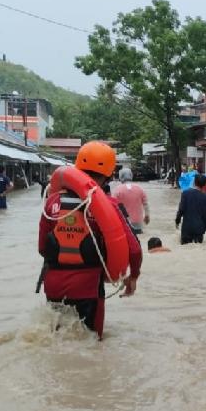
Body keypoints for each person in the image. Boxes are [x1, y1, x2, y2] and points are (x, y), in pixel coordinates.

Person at [38, 141, 143, 339]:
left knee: (57, 343)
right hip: (88, 288)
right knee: (91, 345)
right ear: (110, 174)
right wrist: (133, 276)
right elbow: (134, 249)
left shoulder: (52, 202)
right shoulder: (109, 206)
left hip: (53, 286)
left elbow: (43, 247)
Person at [113, 168, 150, 234]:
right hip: (138, 222)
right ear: (131, 175)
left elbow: (113, 205)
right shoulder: (139, 188)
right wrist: (147, 215)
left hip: (124, 221)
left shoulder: (117, 190)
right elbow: (145, 203)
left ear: (120, 176)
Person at [175, 174, 206, 244]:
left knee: (185, 250)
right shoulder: (205, 197)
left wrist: (177, 221)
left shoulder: (185, 194)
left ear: (194, 182)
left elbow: (181, 209)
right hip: (199, 229)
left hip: (187, 228)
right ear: (204, 185)